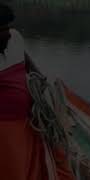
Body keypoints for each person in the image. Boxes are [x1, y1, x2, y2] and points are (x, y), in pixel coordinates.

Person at [0, 3, 74, 179]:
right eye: (1, 29)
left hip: (29, 120)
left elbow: (24, 59)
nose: (7, 33)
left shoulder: (14, 38)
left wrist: (39, 77)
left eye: (8, 27)